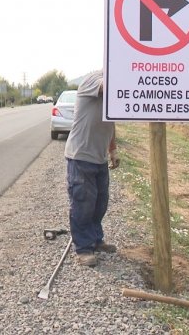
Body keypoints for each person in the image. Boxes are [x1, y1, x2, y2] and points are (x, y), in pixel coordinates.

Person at [64, 70, 120, 267]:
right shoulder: (92, 81)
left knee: (100, 203)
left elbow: (110, 121)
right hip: (80, 156)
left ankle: (96, 239)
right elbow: (108, 85)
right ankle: (83, 248)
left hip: (99, 157)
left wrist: (112, 150)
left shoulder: (113, 90)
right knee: (83, 203)